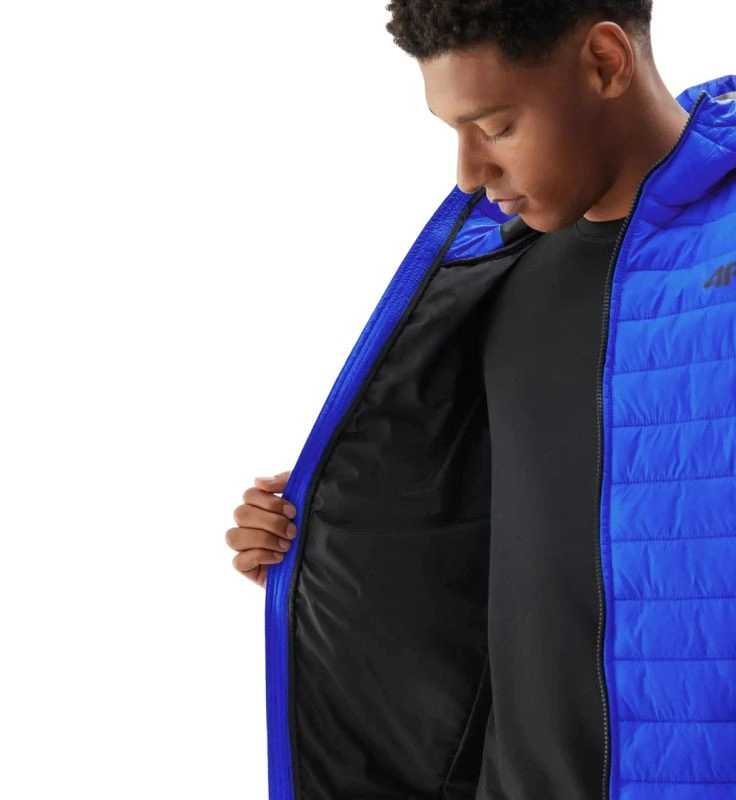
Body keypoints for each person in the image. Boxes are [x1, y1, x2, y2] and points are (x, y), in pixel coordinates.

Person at [225, 2, 736, 798]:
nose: (468, 172)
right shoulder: (491, 279)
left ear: (605, 63)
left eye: (495, 126)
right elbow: (483, 538)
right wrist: (332, 535)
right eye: (454, 132)